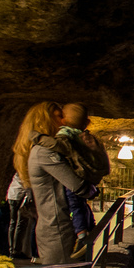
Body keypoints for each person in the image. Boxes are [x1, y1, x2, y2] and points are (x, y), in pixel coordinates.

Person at [12, 101, 95, 268]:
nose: (64, 121)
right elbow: (78, 186)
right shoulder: (45, 153)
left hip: (56, 228)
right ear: (46, 120)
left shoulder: (45, 150)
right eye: (59, 117)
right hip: (58, 232)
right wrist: (92, 190)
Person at [55, 104, 111, 248]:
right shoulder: (88, 138)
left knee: (74, 204)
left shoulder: (63, 136)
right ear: (87, 123)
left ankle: (81, 232)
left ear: (62, 120)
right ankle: (89, 227)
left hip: (73, 178)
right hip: (87, 180)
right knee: (81, 205)